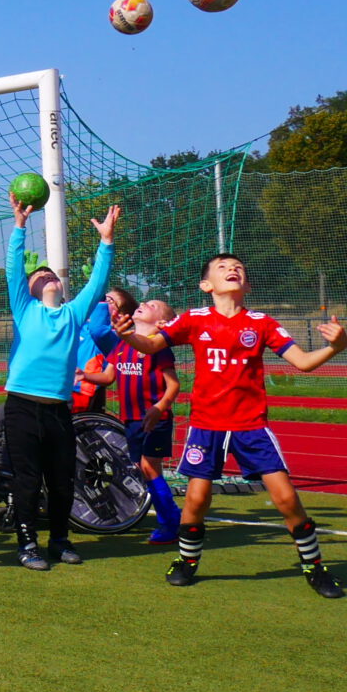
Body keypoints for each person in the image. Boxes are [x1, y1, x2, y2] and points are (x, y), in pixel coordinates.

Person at [126, 254, 346, 597]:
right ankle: (186, 561)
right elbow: (151, 344)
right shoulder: (194, 319)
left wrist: (336, 347)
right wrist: (127, 336)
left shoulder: (262, 323)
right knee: (197, 500)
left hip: (251, 426)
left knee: (286, 498)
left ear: (248, 285)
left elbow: (302, 362)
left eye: (239, 268)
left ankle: (314, 567)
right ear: (206, 285)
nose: (233, 270)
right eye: (223, 267)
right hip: (205, 426)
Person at [1, 198, 120, 570]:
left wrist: (106, 241)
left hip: (58, 411)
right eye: (40, 277)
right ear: (32, 289)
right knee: (27, 480)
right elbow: (12, 272)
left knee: (62, 480)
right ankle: (26, 545)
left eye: (53, 276)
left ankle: (59, 540)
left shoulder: (72, 313)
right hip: (21, 407)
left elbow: (98, 281)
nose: (48, 277)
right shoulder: (25, 310)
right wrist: (19, 226)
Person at [108, 297, 181, 543]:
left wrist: (160, 407)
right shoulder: (121, 345)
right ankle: (171, 515)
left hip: (154, 419)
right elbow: (107, 376)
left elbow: (174, 385)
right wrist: (82, 375)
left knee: (150, 467)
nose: (143, 305)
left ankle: (170, 523)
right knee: (142, 469)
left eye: (153, 305)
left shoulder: (158, 348)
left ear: (163, 322)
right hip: (131, 420)